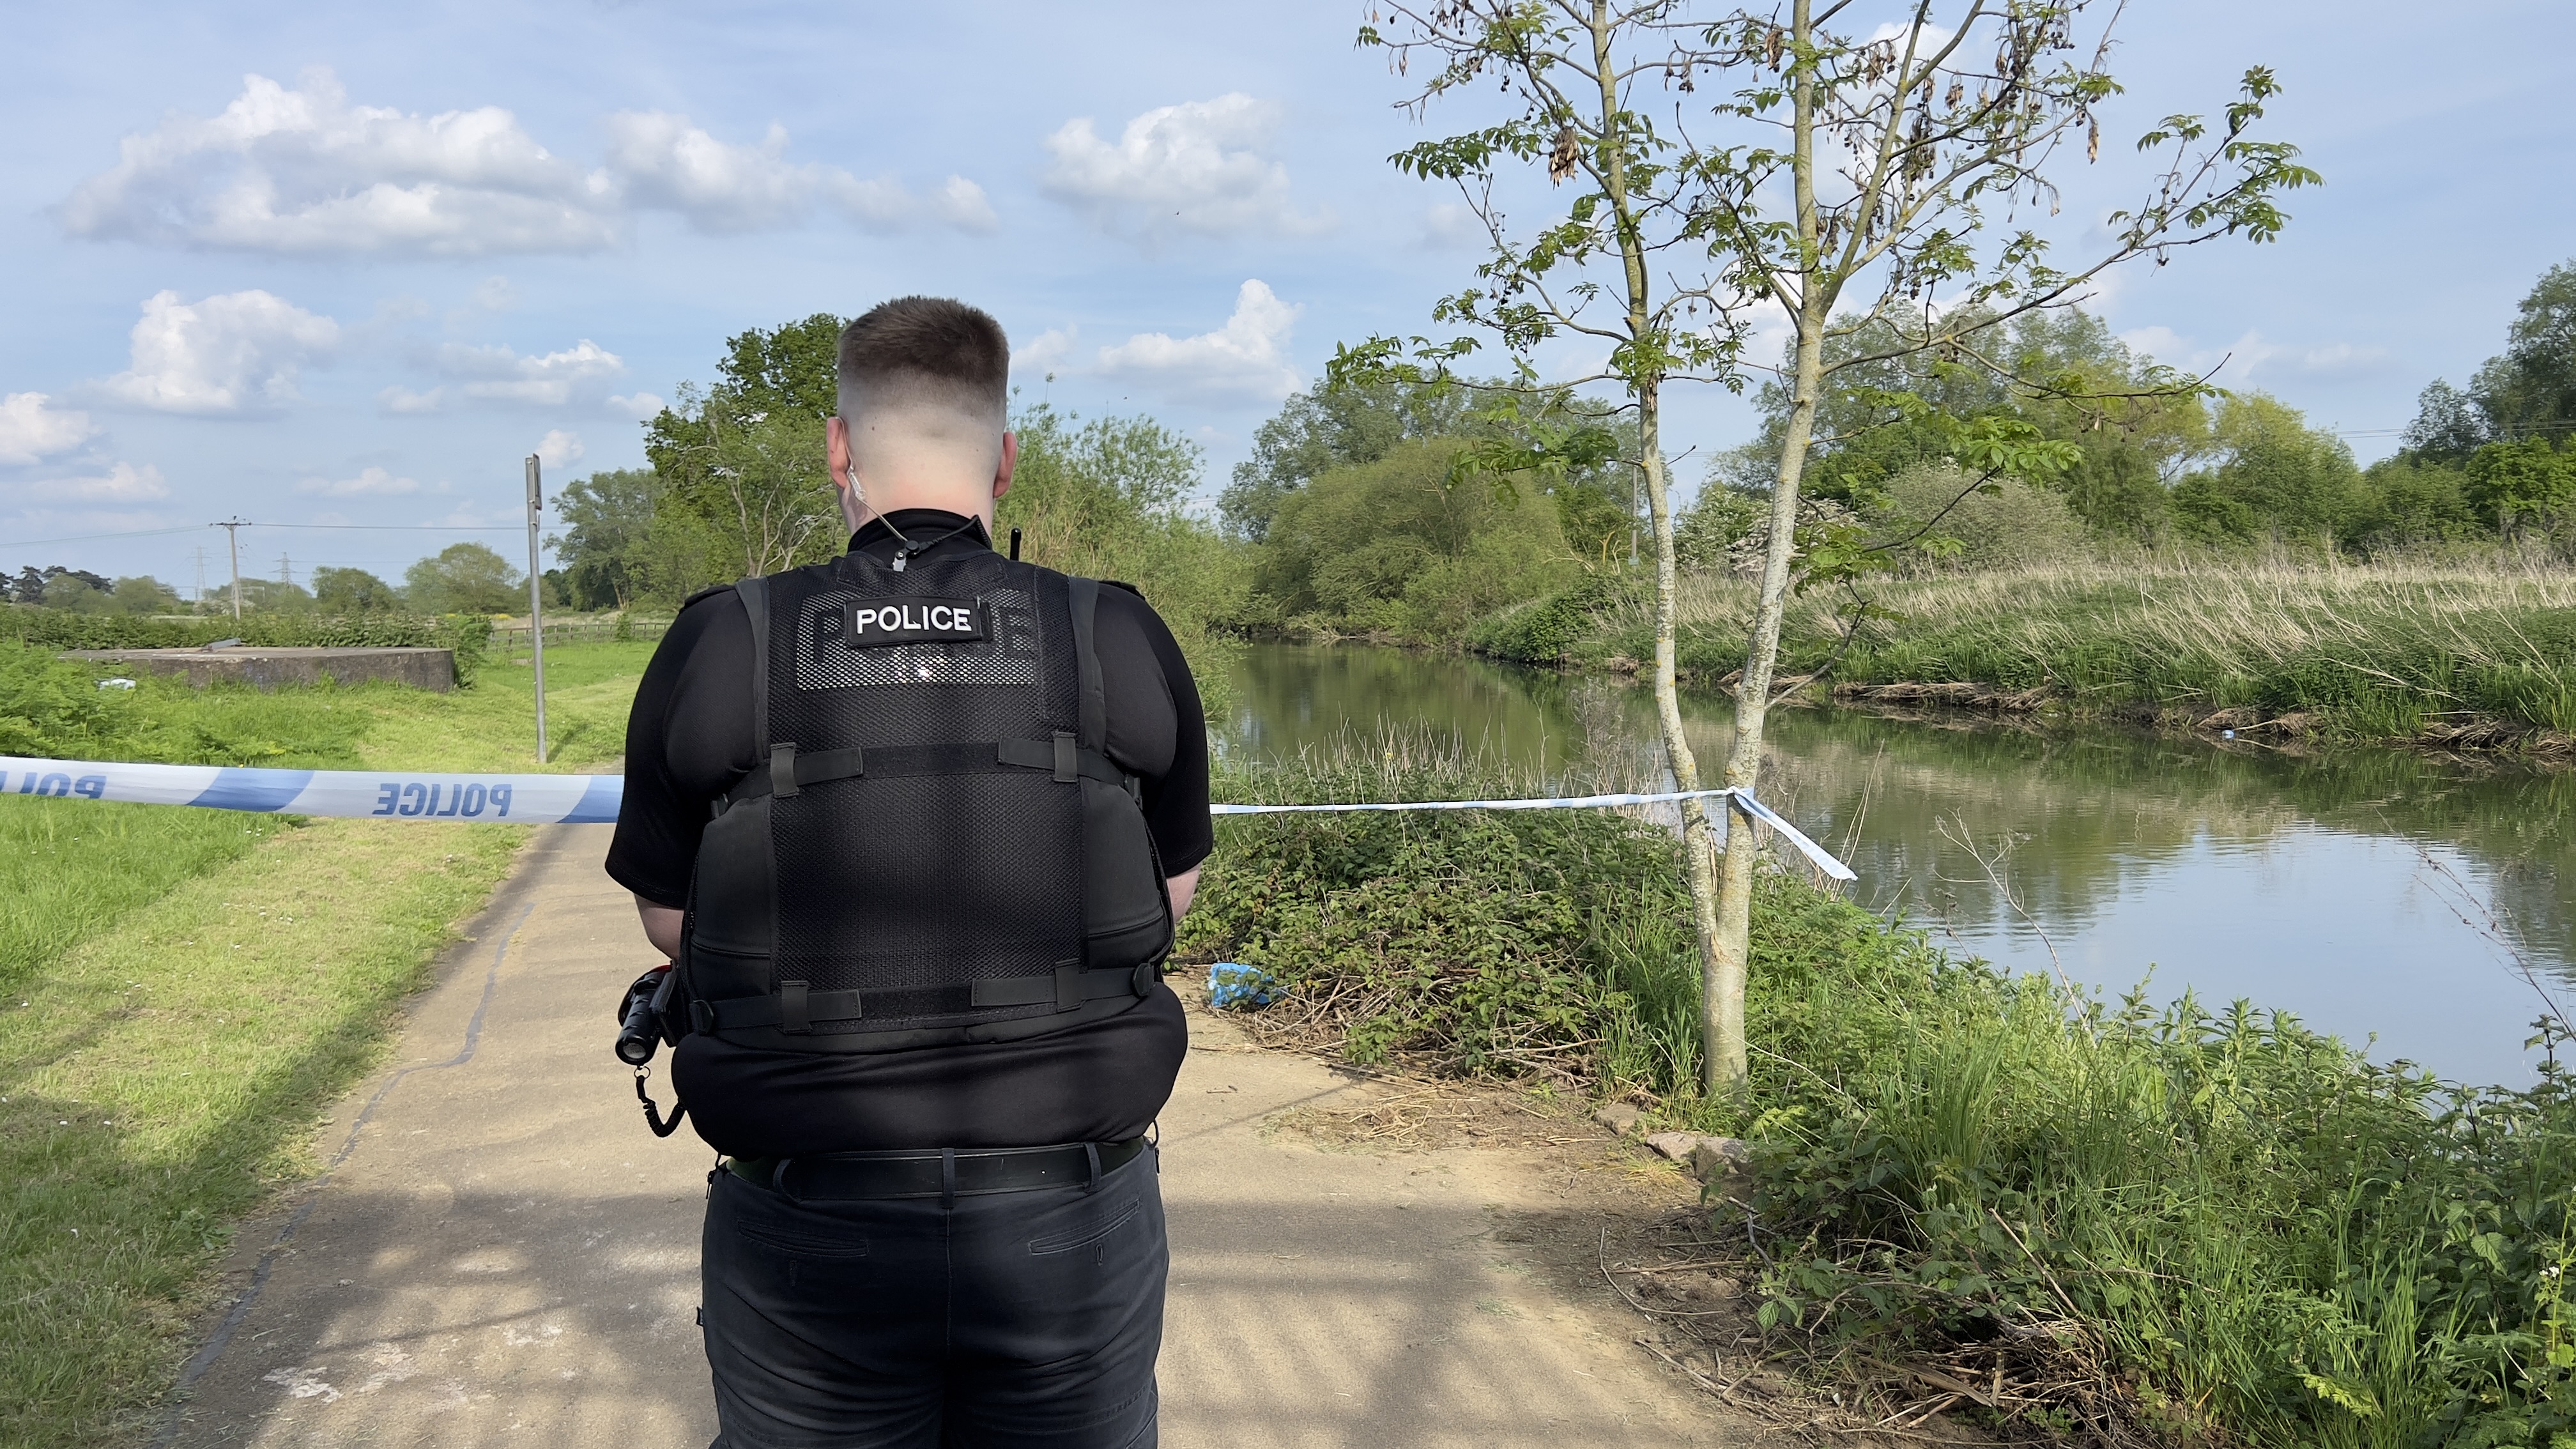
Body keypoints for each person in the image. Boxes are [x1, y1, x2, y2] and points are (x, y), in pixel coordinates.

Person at [606, 296, 1211, 1448]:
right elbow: (1164, 899)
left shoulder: (726, 637)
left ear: (838, 448)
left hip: (808, 1218)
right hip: (1070, 1220)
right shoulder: (1113, 632)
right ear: (1006, 459)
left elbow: (672, 922)